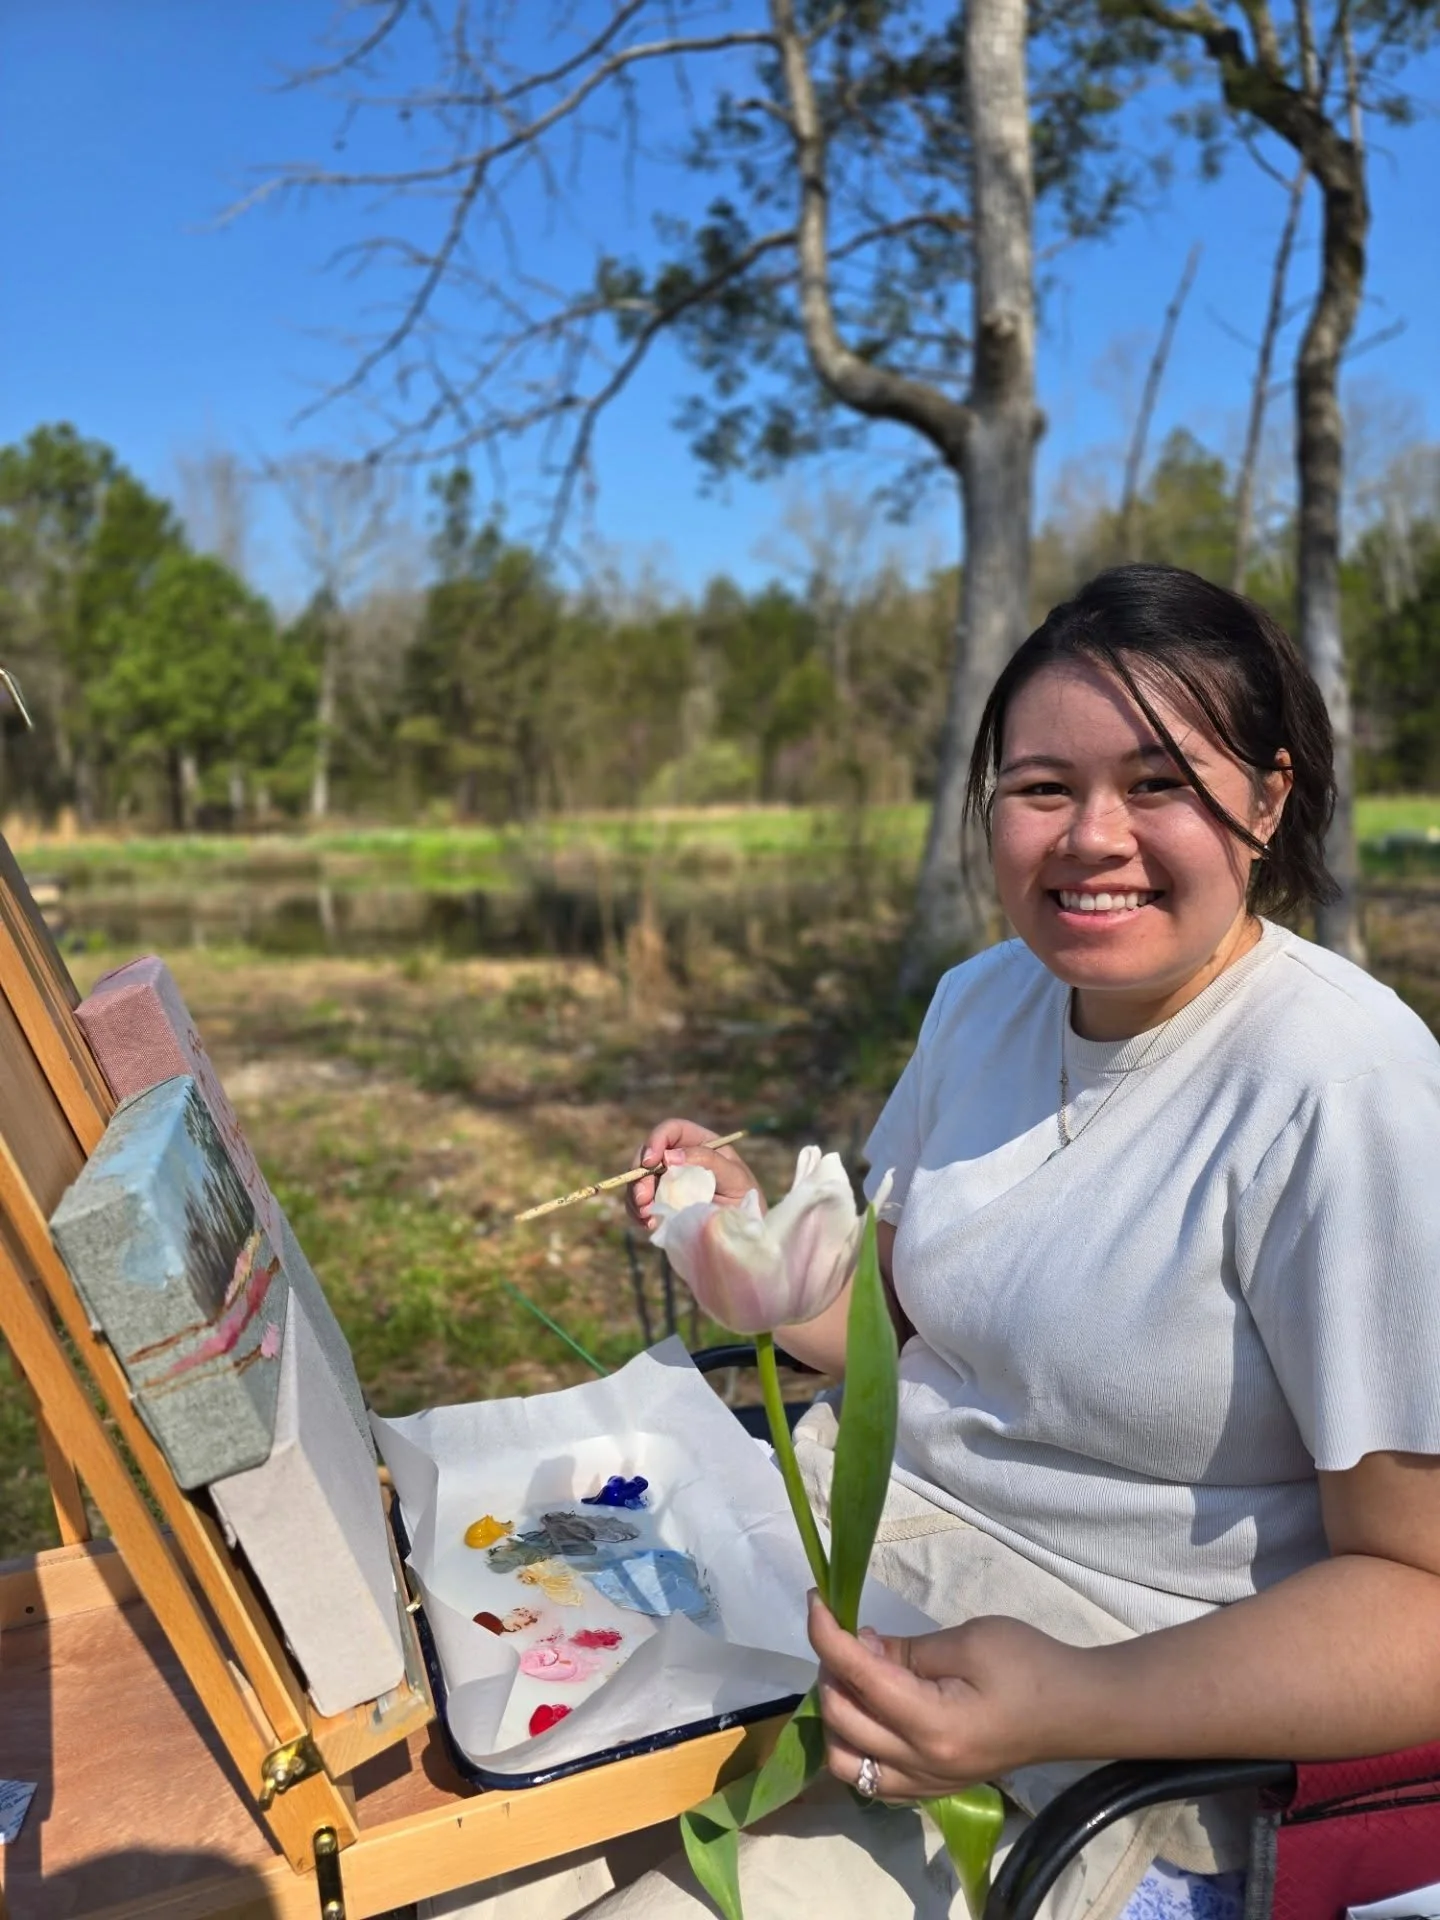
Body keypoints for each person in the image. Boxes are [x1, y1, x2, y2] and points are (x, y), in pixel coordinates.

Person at [597, 564, 1440, 1920]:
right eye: (1043, 788)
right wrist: (744, 1244)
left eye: (1159, 782)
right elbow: (888, 1320)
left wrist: (1071, 1701)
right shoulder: (986, 999)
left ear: (1268, 800)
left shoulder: (1343, 1087)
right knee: (462, 1847)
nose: (1090, 837)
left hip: (1107, 1744)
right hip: (830, 1589)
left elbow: (1422, 1603)